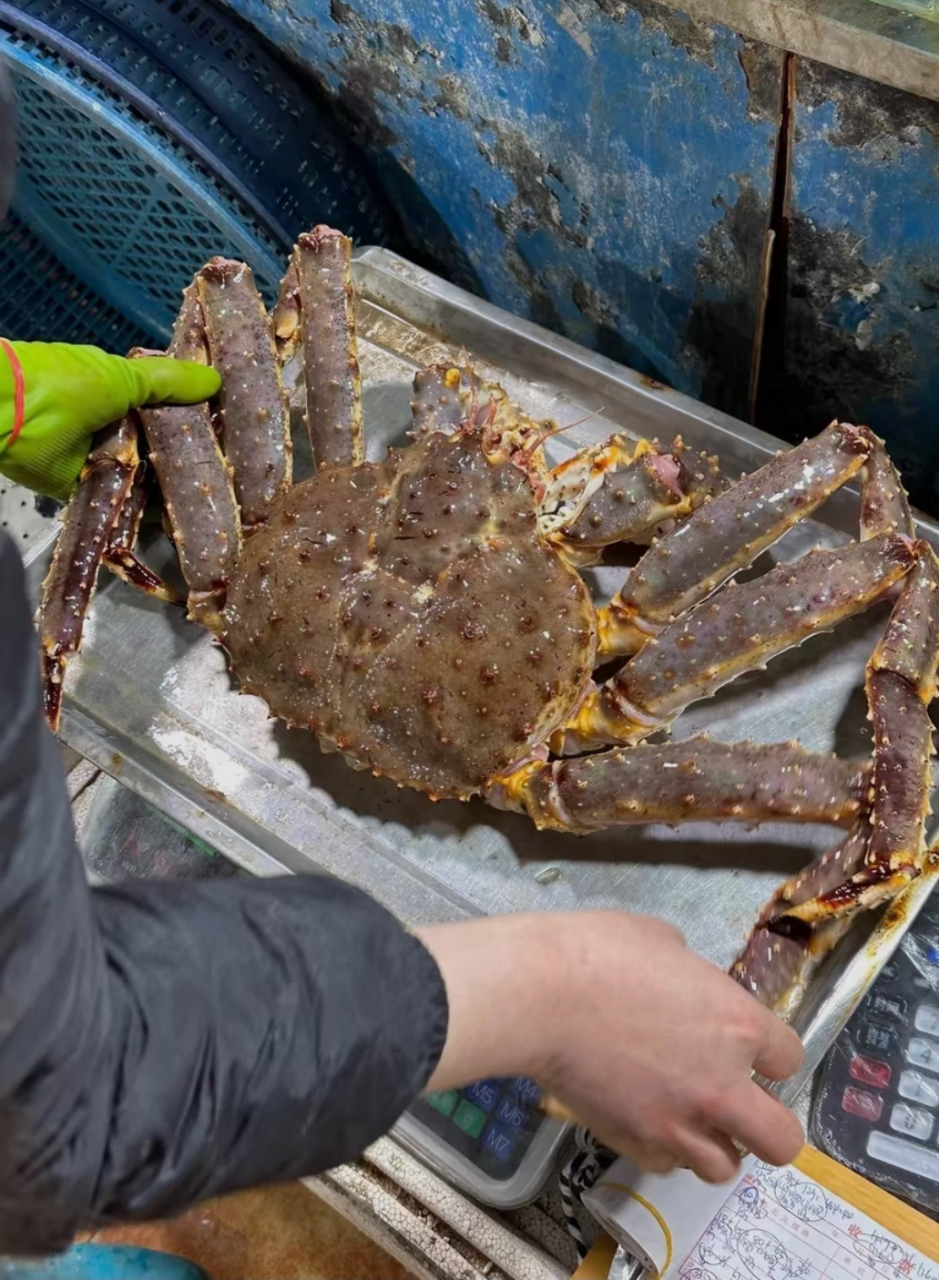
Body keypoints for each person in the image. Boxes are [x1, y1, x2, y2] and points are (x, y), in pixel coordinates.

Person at [0, 68, 804, 1258]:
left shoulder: (250, 550)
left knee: (202, 339)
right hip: (132, 1101)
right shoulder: (592, 700)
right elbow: (54, 1106)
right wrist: (556, 992)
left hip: (248, 642)